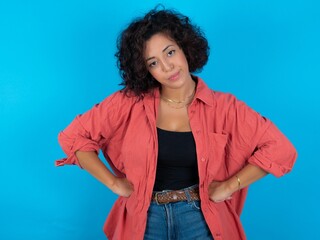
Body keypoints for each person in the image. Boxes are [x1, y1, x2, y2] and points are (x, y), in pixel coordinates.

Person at [55, 7, 297, 240]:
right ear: (145, 70)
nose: (167, 67)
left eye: (169, 52)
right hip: (145, 219)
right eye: (153, 63)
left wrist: (230, 186)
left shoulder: (226, 108)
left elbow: (281, 149)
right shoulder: (129, 103)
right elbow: (74, 137)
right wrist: (113, 183)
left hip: (199, 219)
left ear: (184, 48)